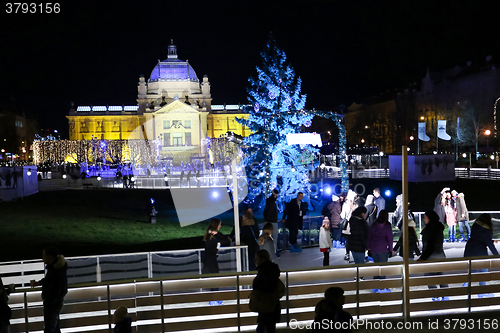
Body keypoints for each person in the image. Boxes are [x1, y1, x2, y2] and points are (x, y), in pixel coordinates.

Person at [31, 246, 68, 333]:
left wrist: (49, 300)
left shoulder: (55, 270)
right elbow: (50, 280)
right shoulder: (56, 268)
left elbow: (55, 285)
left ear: (49, 257)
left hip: (51, 304)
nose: (42, 258)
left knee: (50, 327)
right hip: (53, 303)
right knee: (53, 326)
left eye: (44, 255)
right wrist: (39, 283)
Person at [463, 214, 499, 296]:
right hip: (479, 251)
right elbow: (489, 244)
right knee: (484, 270)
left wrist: (491, 240)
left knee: (474, 269)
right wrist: (497, 255)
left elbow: (479, 237)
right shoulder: (487, 230)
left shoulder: (476, 225)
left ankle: (467, 282)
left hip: (470, 249)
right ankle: (482, 291)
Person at [417, 210, 449, 301]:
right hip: (440, 256)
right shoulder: (437, 228)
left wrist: (423, 258)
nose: (423, 219)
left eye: (425, 217)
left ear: (430, 219)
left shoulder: (430, 230)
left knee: (429, 278)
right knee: (441, 277)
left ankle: (435, 296)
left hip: (432, 258)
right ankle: (445, 296)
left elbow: (429, 246)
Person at [253, 250, 282, 333]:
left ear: (263, 259)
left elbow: (260, 286)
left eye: (257, 259)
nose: (256, 261)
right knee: (270, 328)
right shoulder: (273, 270)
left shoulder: (264, 272)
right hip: (273, 304)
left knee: (263, 328)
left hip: (265, 304)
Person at [367, 210, 393, 292]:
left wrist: (368, 246)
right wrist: (390, 249)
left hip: (374, 248)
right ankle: (382, 287)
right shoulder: (387, 225)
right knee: (383, 268)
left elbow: (369, 236)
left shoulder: (374, 224)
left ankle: (375, 286)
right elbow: (390, 238)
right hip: (383, 248)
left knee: (376, 267)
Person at [264, 189, 280, 256]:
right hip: (273, 221)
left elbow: (266, 211)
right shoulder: (272, 202)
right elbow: (269, 211)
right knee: (275, 237)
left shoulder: (268, 201)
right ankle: (273, 251)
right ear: (276, 195)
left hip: (269, 221)